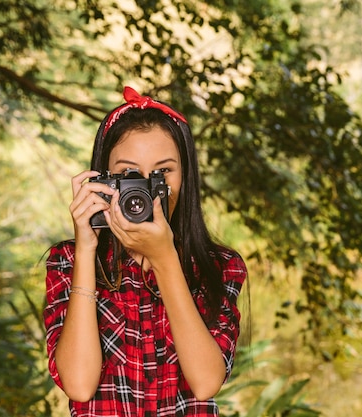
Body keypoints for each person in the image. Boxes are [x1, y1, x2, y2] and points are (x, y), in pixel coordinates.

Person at [44, 86, 247, 417]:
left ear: (186, 176)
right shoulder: (67, 260)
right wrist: (86, 247)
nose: (143, 190)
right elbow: (79, 385)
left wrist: (165, 259)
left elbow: (207, 381)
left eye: (163, 172)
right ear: (103, 178)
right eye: (128, 174)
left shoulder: (220, 266)